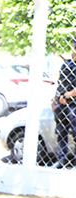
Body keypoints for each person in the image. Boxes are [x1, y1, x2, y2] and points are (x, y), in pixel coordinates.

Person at [53, 39, 76, 169]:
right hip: (61, 103)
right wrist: (56, 98)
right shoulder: (67, 64)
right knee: (61, 132)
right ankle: (61, 159)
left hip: (73, 104)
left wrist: (67, 95)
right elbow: (61, 82)